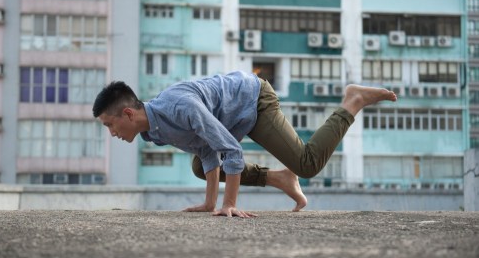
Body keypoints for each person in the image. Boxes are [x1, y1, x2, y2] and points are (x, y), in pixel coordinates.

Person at [93, 71, 397, 218]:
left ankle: (352, 101)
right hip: (231, 114)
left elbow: (230, 150)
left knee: (308, 163)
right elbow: (204, 147)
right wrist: (211, 203)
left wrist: (229, 205)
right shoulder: (153, 130)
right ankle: (279, 177)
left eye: (110, 124)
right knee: (201, 165)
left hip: (252, 101)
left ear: (128, 113)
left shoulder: (178, 108)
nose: (112, 133)